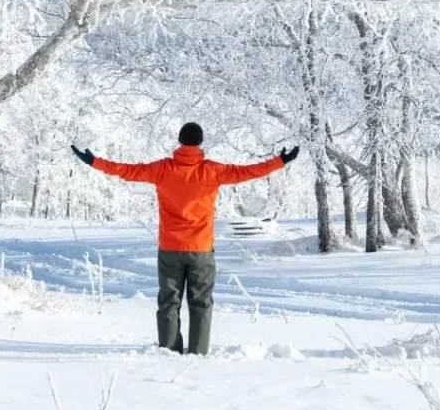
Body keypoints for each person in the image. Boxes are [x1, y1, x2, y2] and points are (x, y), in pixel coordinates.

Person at [71, 122, 299, 356]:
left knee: (169, 302)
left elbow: (128, 170)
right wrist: (280, 161)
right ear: (200, 143)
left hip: (170, 249)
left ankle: (169, 352)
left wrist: (94, 162)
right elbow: (248, 172)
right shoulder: (212, 170)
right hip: (201, 250)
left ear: (179, 142)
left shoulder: (163, 169)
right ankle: (199, 353)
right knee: (201, 304)